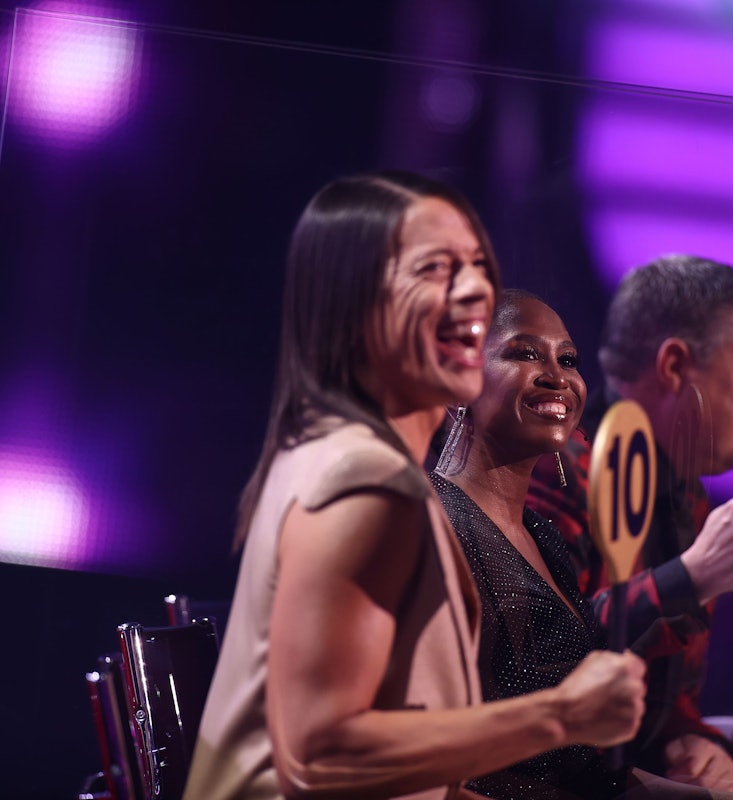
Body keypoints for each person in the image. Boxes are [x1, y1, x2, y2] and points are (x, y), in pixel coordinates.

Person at [182, 172, 647, 800]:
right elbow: (320, 760)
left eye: (475, 266)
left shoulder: (368, 472)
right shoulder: (362, 484)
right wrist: (559, 714)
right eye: (435, 271)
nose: (474, 294)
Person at [432, 289, 733, 798]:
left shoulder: (543, 538)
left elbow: (581, 754)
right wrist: (691, 577)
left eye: (568, 359)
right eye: (525, 353)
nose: (557, 375)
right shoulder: (430, 525)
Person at [526, 255, 733, 791]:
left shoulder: (685, 494)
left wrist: (690, 742)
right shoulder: (553, 471)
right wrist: (694, 576)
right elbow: (538, 667)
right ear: (674, 366)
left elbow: (664, 702)